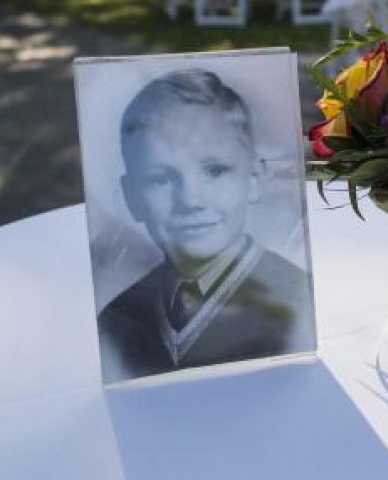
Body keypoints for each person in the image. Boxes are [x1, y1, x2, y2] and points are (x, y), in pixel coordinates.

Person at [96, 68, 314, 382]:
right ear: (132, 197)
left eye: (214, 171)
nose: (190, 200)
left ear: (253, 179)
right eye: (160, 178)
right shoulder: (118, 319)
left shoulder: (297, 308)